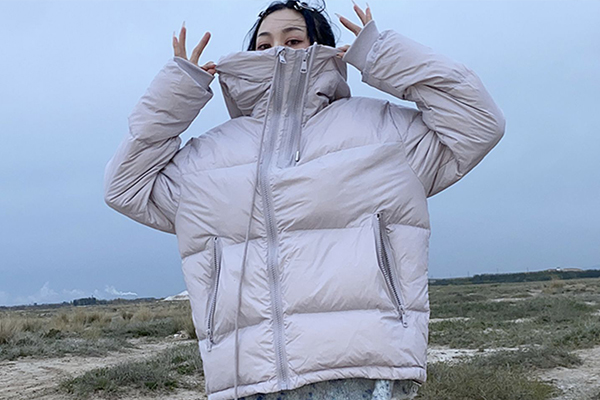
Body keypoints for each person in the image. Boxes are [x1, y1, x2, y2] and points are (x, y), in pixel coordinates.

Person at [103, 1, 505, 399]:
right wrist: (177, 92)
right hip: (250, 381)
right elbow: (124, 186)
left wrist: (380, 54)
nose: (277, 51)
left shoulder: (386, 134)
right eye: (263, 45)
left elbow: (478, 121)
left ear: (324, 49)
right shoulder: (206, 158)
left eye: (293, 40)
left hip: (366, 374)